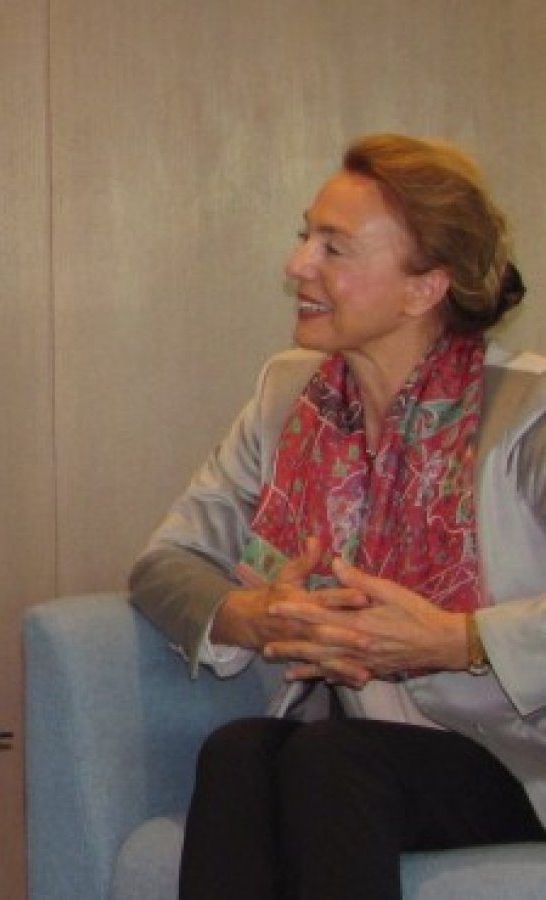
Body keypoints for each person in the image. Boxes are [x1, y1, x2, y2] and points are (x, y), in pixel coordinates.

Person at [130, 133, 546, 900]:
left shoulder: (528, 415)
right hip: (363, 745)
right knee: (239, 751)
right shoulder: (290, 398)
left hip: (518, 757)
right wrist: (255, 615)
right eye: (305, 237)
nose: (298, 266)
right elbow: (166, 564)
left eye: (334, 247)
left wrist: (458, 639)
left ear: (424, 288)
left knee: (332, 760)